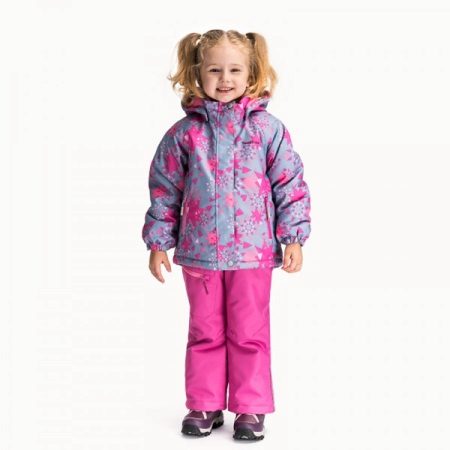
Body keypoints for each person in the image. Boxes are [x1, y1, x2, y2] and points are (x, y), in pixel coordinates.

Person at [141, 29, 311, 441]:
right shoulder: (184, 134)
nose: (224, 79)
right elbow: (164, 188)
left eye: (235, 70)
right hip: (199, 253)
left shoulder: (268, 130)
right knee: (204, 331)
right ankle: (205, 402)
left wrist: (293, 237)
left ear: (251, 73)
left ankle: (251, 407)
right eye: (214, 70)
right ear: (197, 73)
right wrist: (158, 243)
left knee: (250, 332)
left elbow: (290, 182)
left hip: (253, 254)